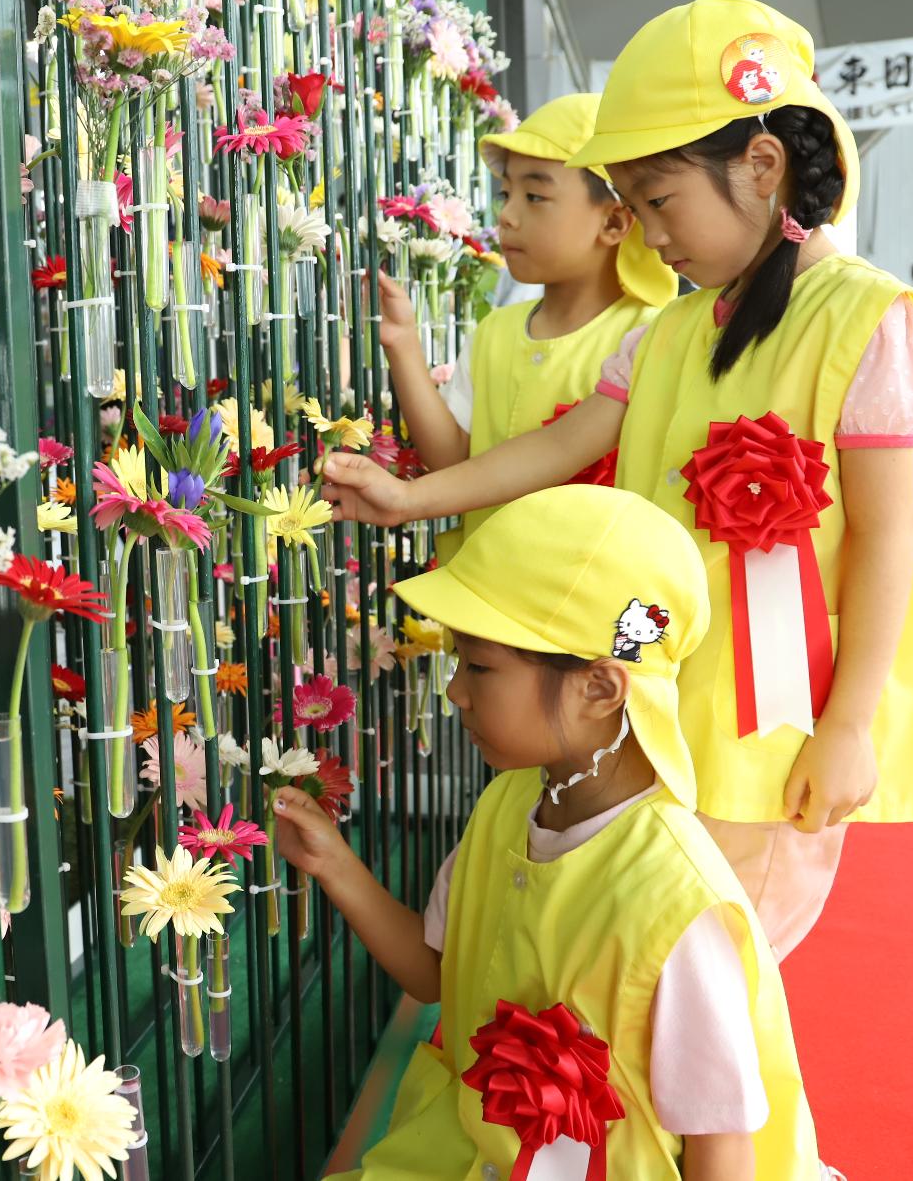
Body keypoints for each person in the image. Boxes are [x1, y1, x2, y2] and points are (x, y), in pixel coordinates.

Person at [320, 0, 913, 958]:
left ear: (761, 165)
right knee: (648, 960)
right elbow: (559, 443)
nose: (651, 235)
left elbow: (887, 539)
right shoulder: (672, 331)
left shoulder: (868, 319)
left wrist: (852, 724)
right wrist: (410, 497)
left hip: (770, 731)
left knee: (715, 973)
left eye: (659, 201)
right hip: (658, 709)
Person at [281, 486, 823, 1180]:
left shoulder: (677, 898)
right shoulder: (510, 804)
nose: (455, 691)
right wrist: (337, 866)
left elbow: (722, 1146)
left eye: (478, 666)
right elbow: (437, 969)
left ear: (600, 686)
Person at [380, 93, 676, 555]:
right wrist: (401, 344)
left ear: (615, 222)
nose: (507, 215)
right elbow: (452, 459)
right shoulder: (495, 331)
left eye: (535, 196)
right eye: (506, 193)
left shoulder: (648, 338)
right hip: (480, 593)